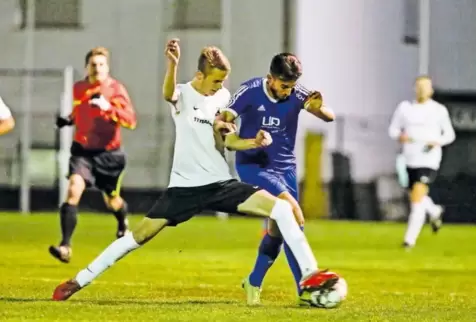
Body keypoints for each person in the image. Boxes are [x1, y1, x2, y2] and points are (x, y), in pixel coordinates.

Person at [52, 39, 339, 301]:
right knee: (134, 238)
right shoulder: (183, 94)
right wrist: (173, 65)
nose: (220, 85)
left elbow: (228, 139)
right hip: (183, 189)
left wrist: (252, 140)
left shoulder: (224, 99)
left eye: (223, 80)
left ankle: (308, 275)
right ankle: (78, 280)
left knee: (282, 209)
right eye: (216, 80)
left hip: (221, 185)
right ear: (200, 75)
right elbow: (168, 93)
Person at [218, 53, 335, 305]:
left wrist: (318, 108)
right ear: (270, 79)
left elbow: (329, 115)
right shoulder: (250, 90)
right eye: (284, 86)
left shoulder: (296, 92)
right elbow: (224, 118)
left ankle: (253, 281)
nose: (287, 92)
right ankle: (304, 288)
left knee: (278, 231)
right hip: (254, 166)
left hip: (286, 169)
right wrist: (227, 130)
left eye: (291, 87)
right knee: (293, 217)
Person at [49, 47, 137, 263]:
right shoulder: (79, 88)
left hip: (109, 155)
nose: (97, 68)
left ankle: (122, 223)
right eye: (93, 64)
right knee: (73, 190)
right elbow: (80, 112)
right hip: (82, 152)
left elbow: (131, 121)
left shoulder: (116, 90)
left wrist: (108, 108)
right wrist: (69, 120)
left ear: (107, 68)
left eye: (101, 64)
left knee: (112, 200)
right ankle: (65, 246)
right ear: (86, 67)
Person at [388, 75, 455, 249]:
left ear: (431, 90)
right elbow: (393, 130)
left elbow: (449, 134)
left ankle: (409, 240)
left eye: (426, 86)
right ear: (414, 88)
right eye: (419, 86)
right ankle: (434, 211)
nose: (422, 90)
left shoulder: (439, 110)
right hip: (409, 159)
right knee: (417, 197)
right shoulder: (405, 108)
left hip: (429, 159)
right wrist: (400, 136)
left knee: (416, 200)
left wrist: (437, 141)